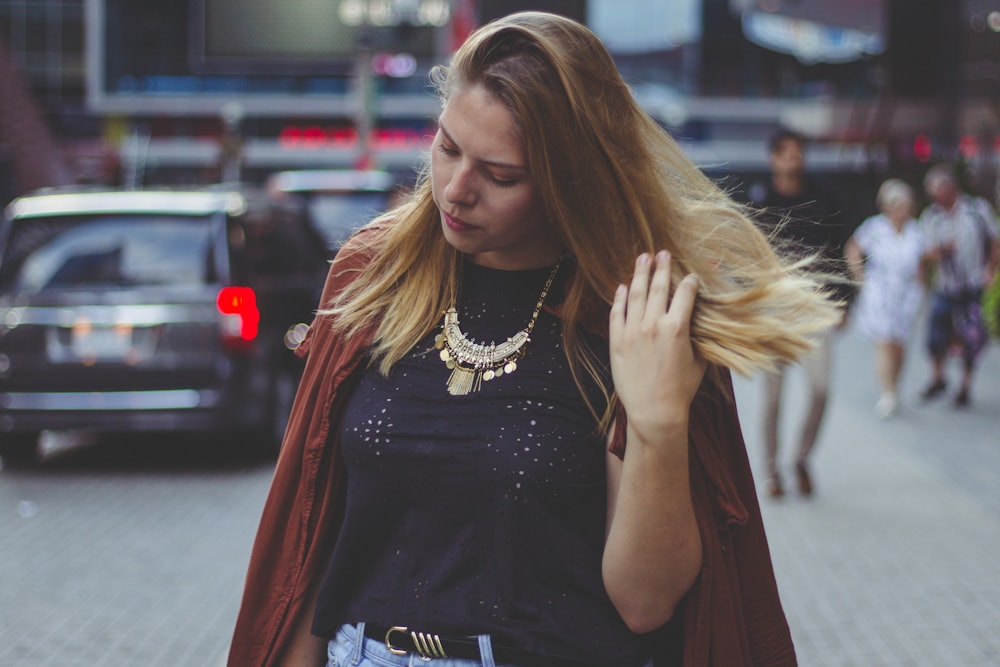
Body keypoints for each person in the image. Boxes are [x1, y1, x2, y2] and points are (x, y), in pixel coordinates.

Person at [228, 13, 842, 667]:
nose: (456, 190)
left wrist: (658, 425)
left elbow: (646, 601)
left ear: (568, 181)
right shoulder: (374, 275)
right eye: (447, 147)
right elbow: (310, 543)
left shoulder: (631, 310)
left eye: (501, 174)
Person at [746, 129, 852, 499]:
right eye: (787, 153)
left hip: (816, 305)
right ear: (774, 157)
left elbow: (839, 250)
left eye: (799, 153)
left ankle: (801, 459)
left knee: (821, 389)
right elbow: (747, 255)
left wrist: (844, 302)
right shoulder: (759, 198)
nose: (795, 159)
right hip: (774, 309)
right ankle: (772, 471)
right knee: (773, 399)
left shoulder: (822, 196)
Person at [918, 164, 1000, 407]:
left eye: (939, 191)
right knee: (936, 334)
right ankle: (938, 376)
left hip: (974, 284)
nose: (936, 197)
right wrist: (941, 251)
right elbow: (924, 254)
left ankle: (965, 385)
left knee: (971, 336)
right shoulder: (931, 216)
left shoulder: (976, 210)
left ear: (950, 188)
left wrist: (991, 271)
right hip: (945, 285)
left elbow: (995, 241)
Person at [845, 179, 926, 418]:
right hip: (880, 289)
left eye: (906, 205)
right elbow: (853, 248)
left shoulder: (915, 230)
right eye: (899, 205)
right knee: (884, 341)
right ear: (888, 207)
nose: (904, 210)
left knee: (899, 343)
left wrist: (922, 289)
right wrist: (859, 275)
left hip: (907, 292)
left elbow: (921, 262)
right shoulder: (875, 227)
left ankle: (895, 385)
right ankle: (887, 393)